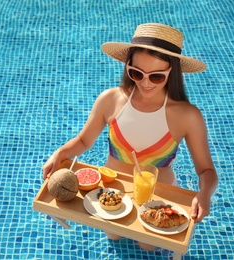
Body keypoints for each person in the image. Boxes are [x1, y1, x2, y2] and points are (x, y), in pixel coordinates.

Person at [42, 23, 218, 249]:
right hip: (112, 193)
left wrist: (205, 194)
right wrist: (60, 153)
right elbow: (84, 141)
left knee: (149, 246)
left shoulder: (187, 115)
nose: (145, 83)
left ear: (171, 72)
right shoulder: (110, 100)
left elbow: (206, 170)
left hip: (158, 200)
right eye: (136, 73)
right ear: (128, 67)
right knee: (113, 237)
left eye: (156, 77)